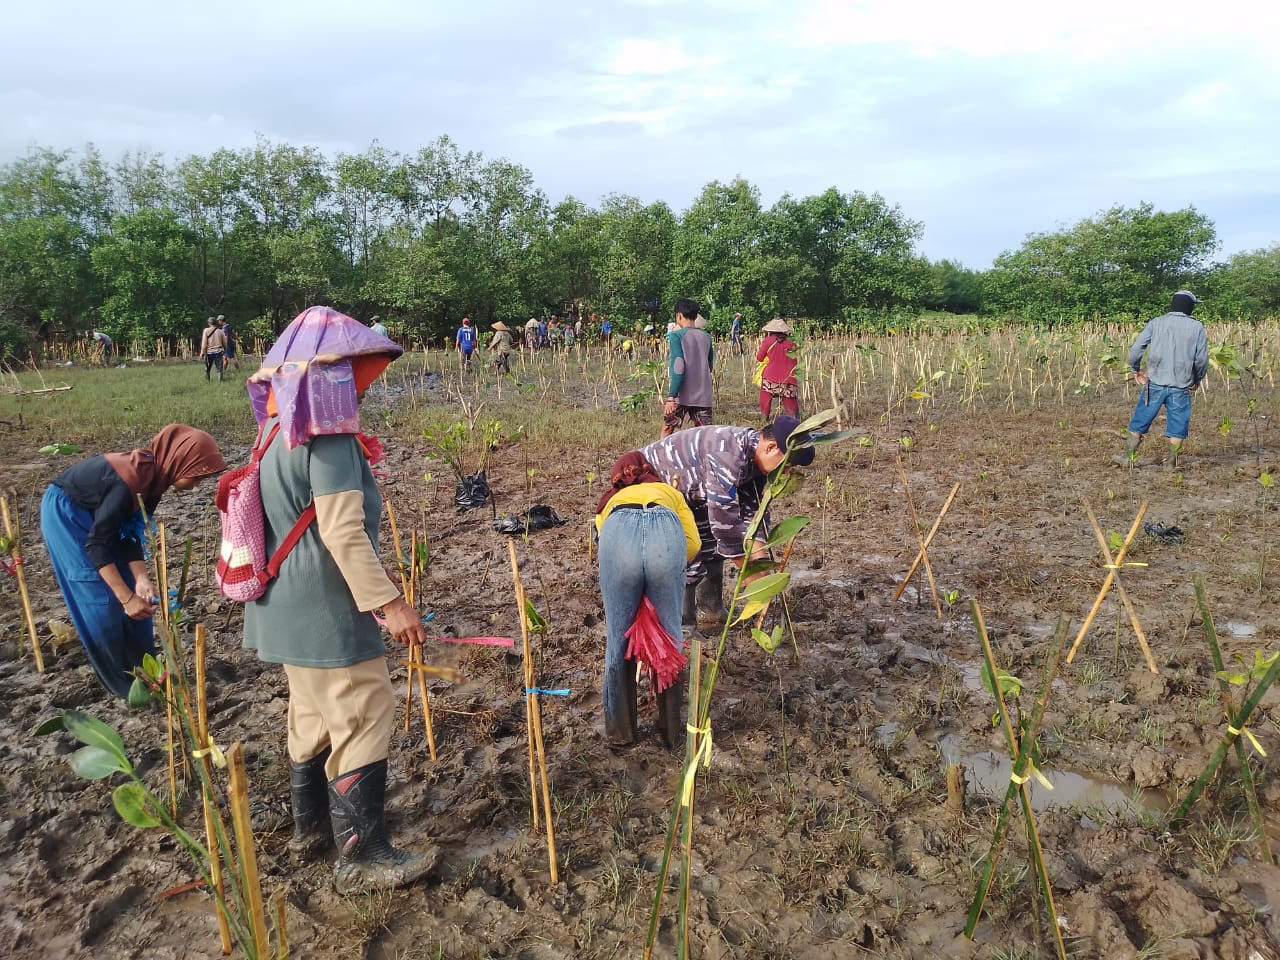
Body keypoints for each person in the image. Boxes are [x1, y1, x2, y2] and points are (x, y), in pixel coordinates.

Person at [244, 305, 433, 894]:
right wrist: (390, 603)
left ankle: (312, 831)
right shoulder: (327, 439)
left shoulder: (275, 431)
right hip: (327, 609)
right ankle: (363, 857)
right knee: (361, 712)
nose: (357, 382)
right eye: (349, 369)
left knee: (312, 714)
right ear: (328, 374)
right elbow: (343, 532)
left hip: (284, 609)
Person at [41, 426, 226, 697]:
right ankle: (121, 685)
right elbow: (97, 544)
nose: (197, 484)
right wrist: (126, 598)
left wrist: (141, 580)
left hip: (100, 515)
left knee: (140, 600)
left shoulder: (157, 479)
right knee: (99, 595)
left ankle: (145, 673)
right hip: (68, 511)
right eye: (196, 476)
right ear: (180, 460)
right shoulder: (126, 481)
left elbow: (129, 529)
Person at [639, 417, 815, 631]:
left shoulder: (757, 461)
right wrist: (753, 578)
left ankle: (710, 609)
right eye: (787, 464)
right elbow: (725, 522)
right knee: (687, 548)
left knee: (711, 545)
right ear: (770, 447)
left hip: (693, 494)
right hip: (653, 487)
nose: (786, 472)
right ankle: (684, 623)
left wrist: (763, 568)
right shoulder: (728, 453)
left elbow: (754, 516)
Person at [595, 451, 699, 747]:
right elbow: (693, 544)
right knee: (670, 639)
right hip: (665, 531)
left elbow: (604, 538)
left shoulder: (609, 502)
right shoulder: (670, 493)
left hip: (618, 533)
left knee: (617, 641)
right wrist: (666, 569)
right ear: (651, 474)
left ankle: (621, 734)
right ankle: (670, 732)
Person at [1119, 290, 1209, 468]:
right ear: (1189, 307)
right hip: (1181, 385)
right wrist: (1198, 378)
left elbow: (1137, 348)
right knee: (1178, 424)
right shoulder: (1197, 327)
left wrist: (1135, 369)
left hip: (1155, 383)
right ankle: (1171, 464)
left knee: (1140, 420)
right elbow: (1201, 359)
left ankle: (1128, 458)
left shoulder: (1156, 322)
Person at [661, 298, 715, 439]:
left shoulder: (676, 336)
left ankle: (659, 458)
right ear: (696, 316)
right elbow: (710, 366)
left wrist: (671, 397)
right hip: (703, 393)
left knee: (668, 429)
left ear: (679, 315)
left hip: (682, 394)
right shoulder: (707, 337)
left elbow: (678, 367)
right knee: (705, 436)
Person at [756, 318, 800, 418]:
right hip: (789, 378)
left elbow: (759, 358)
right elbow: (795, 360)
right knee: (790, 402)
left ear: (771, 331)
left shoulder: (768, 341)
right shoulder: (792, 342)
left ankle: (764, 417)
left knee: (765, 395)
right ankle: (795, 421)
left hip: (771, 378)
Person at [201, 317, 227, 381]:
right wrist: (225, 351)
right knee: (219, 368)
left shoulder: (206, 331)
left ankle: (207, 381)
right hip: (218, 351)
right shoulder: (220, 331)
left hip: (209, 352)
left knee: (207, 368)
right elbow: (225, 343)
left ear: (209, 323)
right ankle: (220, 381)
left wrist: (202, 352)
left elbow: (204, 343)